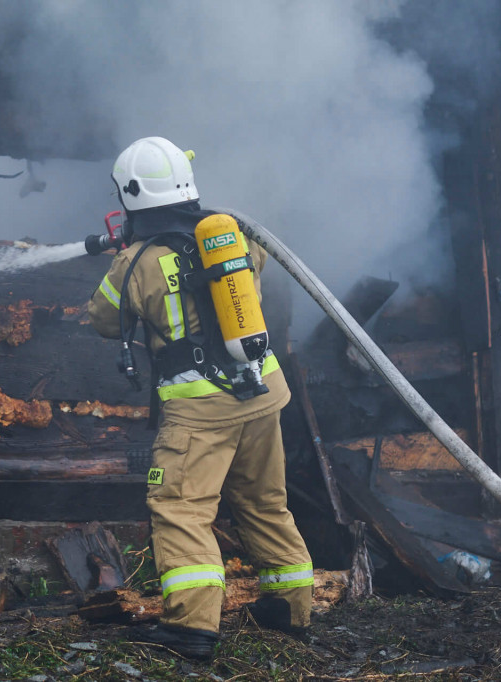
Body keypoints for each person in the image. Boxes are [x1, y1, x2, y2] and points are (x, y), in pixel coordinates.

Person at [88, 137, 313, 660]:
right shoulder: (232, 236)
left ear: (130, 195)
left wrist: (127, 256)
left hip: (199, 408)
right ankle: (291, 608)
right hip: (261, 392)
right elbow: (253, 272)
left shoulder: (135, 263)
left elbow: (103, 320)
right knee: (264, 502)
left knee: (182, 508)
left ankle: (191, 628)